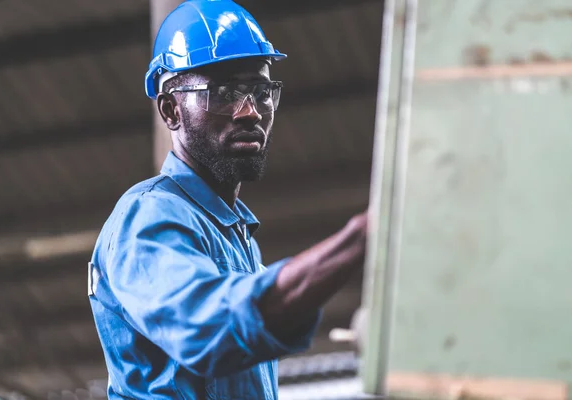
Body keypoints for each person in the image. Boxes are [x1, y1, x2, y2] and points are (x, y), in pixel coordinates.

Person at [87, 0, 368, 398]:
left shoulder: (239, 240)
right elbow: (208, 327)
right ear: (171, 110)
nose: (250, 110)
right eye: (222, 93)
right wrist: (360, 237)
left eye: (261, 90)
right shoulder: (147, 216)